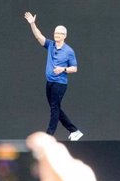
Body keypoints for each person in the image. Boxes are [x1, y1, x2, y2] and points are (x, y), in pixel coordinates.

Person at [24, 11, 83, 141]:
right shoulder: (50, 45)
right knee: (55, 107)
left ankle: (48, 136)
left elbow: (75, 68)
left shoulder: (69, 51)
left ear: (65, 36)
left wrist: (63, 69)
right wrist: (32, 24)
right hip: (49, 82)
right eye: (56, 33)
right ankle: (74, 131)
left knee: (54, 108)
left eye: (60, 33)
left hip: (60, 83)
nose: (57, 35)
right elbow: (39, 37)